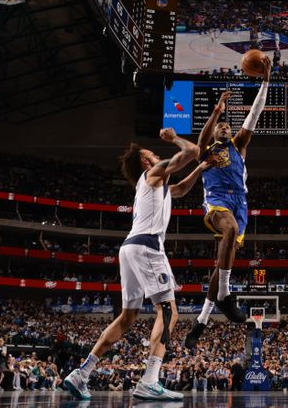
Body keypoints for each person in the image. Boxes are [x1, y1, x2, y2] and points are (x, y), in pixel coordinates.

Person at [63, 129, 207, 401]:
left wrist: (200, 168)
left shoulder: (156, 184)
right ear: (144, 162)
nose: (157, 155)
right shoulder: (153, 173)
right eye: (152, 154)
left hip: (129, 248)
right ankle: (150, 381)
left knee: (127, 317)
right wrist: (175, 138)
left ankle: (82, 373)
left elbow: (181, 189)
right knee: (168, 312)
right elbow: (191, 151)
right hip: (148, 247)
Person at [185, 57, 272, 348]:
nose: (223, 128)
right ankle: (224, 294)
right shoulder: (206, 151)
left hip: (240, 204)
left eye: (226, 126)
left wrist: (265, 82)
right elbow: (201, 137)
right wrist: (216, 111)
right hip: (217, 201)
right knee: (230, 231)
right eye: (219, 126)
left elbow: (255, 115)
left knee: (222, 261)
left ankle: (201, 320)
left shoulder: (239, 145)